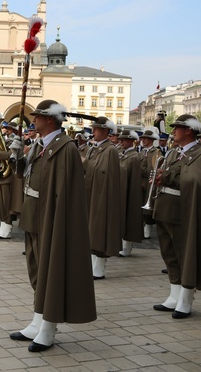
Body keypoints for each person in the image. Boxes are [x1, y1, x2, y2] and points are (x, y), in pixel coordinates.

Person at [10, 99, 96, 351]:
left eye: (37, 116)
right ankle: (38, 320)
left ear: (49, 120)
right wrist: (16, 154)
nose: (33, 120)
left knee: (51, 272)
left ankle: (48, 327)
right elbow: (22, 175)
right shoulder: (39, 145)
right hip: (34, 215)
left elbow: (65, 191)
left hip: (52, 217)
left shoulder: (65, 147)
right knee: (38, 270)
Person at [152, 114, 201, 319]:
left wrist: (167, 177)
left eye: (177, 128)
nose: (173, 131)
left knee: (185, 255)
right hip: (166, 208)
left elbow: (197, 181)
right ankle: (174, 294)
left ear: (189, 130)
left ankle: (186, 298)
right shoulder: (174, 153)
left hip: (184, 212)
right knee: (169, 254)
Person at [83, 116, 122, 279]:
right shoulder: (95, 148)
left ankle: (98, 269)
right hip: (92, 193)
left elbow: (104, 173)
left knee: (99, 231)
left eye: (96, 129)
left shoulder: (110, 150)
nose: (93, 132)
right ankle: (92, 266)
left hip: (102, 195)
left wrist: (85, 162)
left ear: (105, 131)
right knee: (91, 230)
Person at [117, 129, 144, 257]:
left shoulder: (134, 157)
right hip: (121, 189)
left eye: (123, 140)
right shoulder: (122, 154)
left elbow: (133, 178)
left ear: (131, 141)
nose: (120, 142)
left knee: (128, 217)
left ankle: (126, 247)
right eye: (120, 139)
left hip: (129, 191)